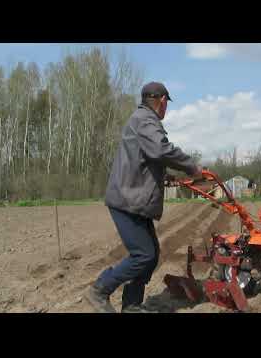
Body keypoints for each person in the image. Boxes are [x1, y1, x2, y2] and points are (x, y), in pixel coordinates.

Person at [85, 82, 202, 313]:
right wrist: (192, 166)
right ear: (162, 101)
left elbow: (145, 159)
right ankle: (99, 291)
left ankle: (131, 305)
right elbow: (160, 149)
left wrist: (165, 176)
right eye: (167, 103)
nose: (166, 107)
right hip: (127, 201)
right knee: (143, 255)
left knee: (150, 255)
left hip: (133, 200)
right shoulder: (146, 120)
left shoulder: (141, 121)